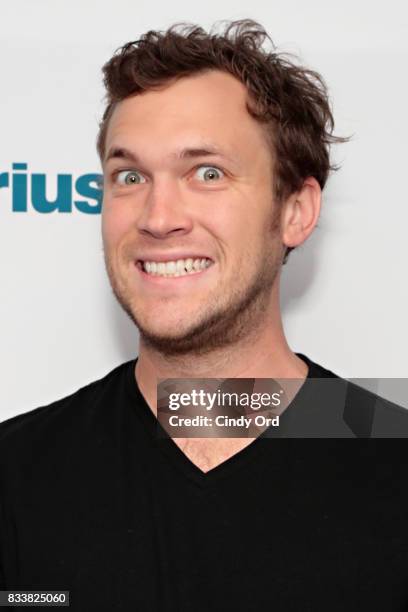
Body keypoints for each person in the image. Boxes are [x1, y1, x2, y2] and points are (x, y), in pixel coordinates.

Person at [1, 19, 407, 611]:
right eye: (130, 176)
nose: (158, 216)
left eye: (207, 173)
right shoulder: (16, 474)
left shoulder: (394, 465)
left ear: (296, 210)